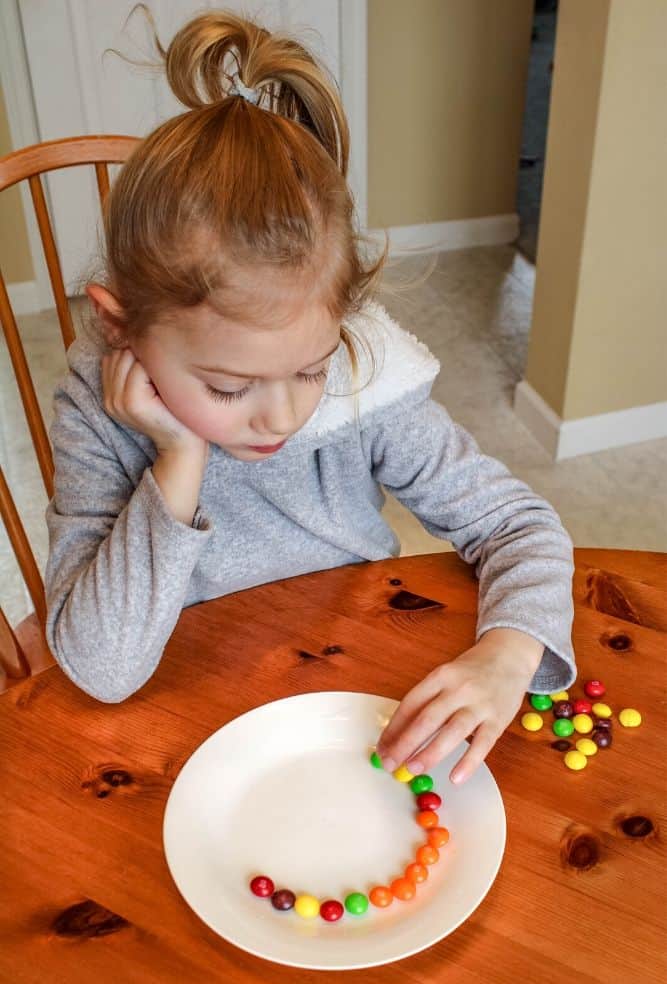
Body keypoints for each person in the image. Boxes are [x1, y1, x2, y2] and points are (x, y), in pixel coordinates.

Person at [45, 8, 576, 786]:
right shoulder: (96, 410)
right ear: (119, 326)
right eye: (228, 387)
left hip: (350, 682)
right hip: (190, 710)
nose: (283, 416)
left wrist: (506, 651)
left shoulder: (370, 384)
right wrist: (177, 456)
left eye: (309, 369)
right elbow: (102, 667)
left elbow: (519, 524)